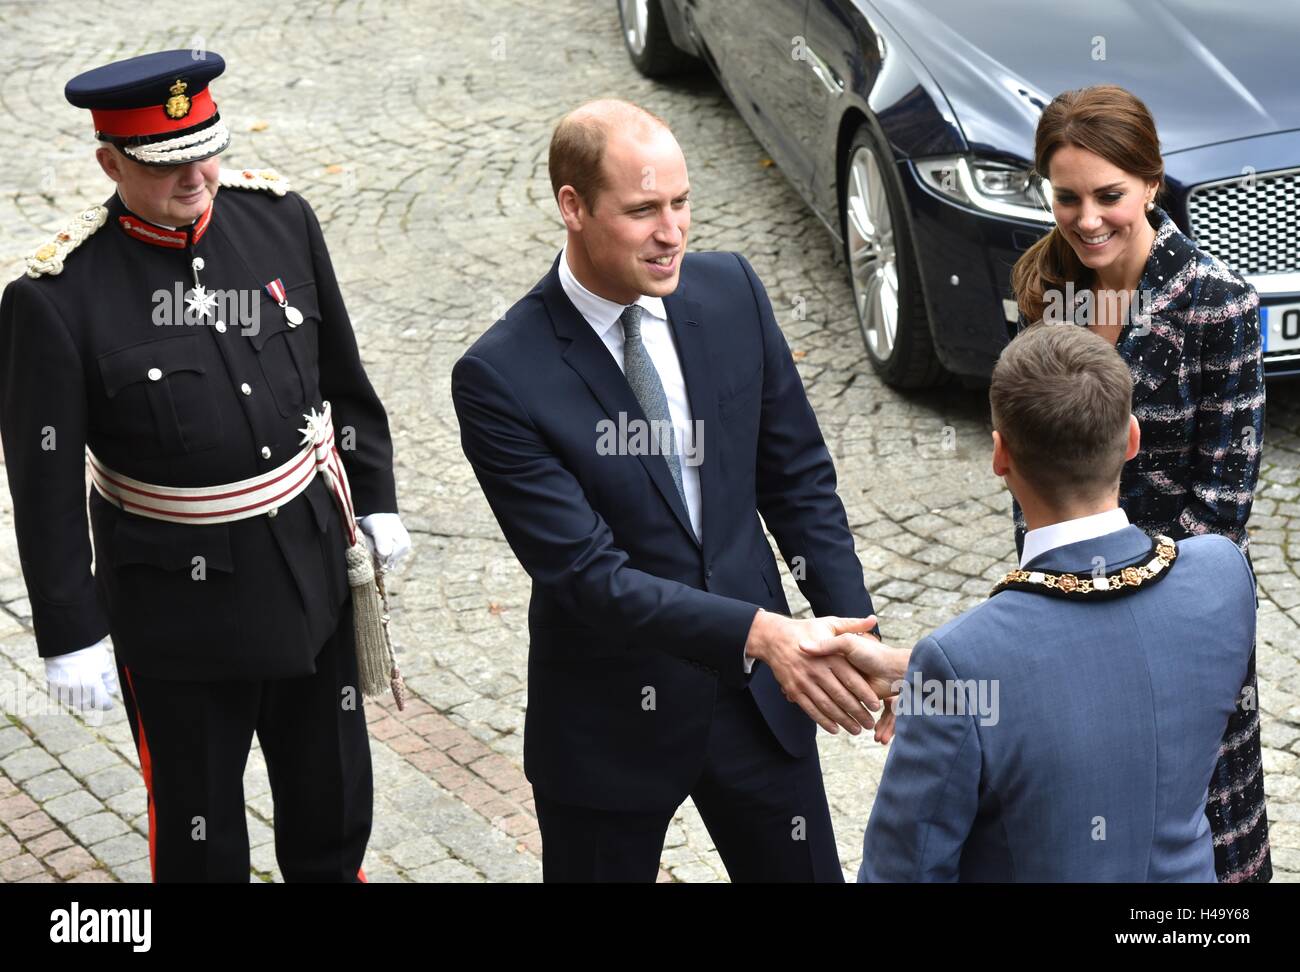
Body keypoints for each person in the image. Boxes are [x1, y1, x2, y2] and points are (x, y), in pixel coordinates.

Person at [451, 99, 905, 882]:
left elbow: (796, 480)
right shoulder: (501, 376)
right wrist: (763, 632)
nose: (673, 233)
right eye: (642, 211)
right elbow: (589, 578)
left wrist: (846, 628)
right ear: (573, 207)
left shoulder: (730, 292)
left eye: (681, 203)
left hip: (760, 710)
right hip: (608, 728)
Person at [0, 49, 411, 882]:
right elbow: (41, 481)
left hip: (311, 581)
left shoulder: (281, 220)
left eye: (206, 149)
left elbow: (343, 383)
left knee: (333, 808)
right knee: (202, 838)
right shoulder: (57, 296)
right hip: (177, 619)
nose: (196, 176)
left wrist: (377, 499)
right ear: (110, 162)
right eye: (167, 162)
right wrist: (70, 631)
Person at [812, 324, 1256, 881]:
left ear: (999, 456)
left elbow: (905, 873)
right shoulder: (1222, 575)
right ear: (1133, 440)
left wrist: (935, 681)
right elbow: (1113, 655)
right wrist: (921, 674)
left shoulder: (962, 663)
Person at [1008, 85, 1269, 882]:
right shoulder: (1043, 297)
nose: (1087, 219)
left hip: (1178, 625)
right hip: (1062, 617)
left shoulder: (1218, 307)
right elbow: (1029, 474)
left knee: (1203, 851)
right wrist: (1039, 605)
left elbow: (1219, 512)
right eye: (1067, 197)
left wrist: (1109, 610)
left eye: (1109, 195)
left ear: (1153, 183)